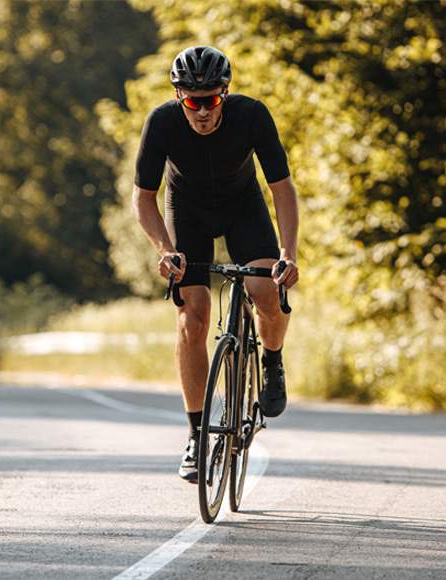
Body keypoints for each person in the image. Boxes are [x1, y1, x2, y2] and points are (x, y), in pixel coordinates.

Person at [132, 46, 299, 483]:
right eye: (191, 100)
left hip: (244, 208)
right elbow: (143, 198)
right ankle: (196, 434)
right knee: (193, 318)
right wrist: (164, 250)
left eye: (210, 100)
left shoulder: (252, 116)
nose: (202, 110)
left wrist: (289, 254)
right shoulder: (162, 123)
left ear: (225, 93)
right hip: (187, 211)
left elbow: (281, 188)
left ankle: (272, 361)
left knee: (266, 293)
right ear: (178, 96)